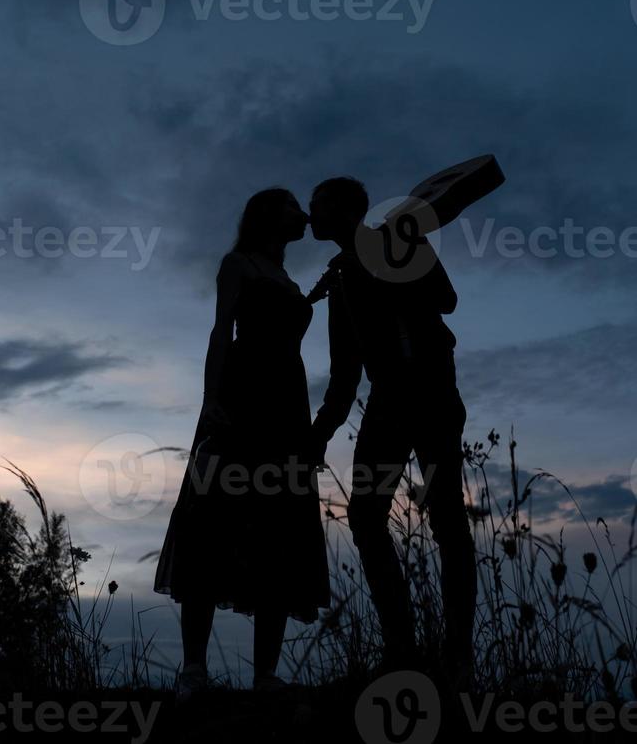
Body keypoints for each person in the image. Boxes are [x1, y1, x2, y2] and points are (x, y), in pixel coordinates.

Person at [154, 189, 330, 697]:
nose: (303, 215)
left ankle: (266, 675)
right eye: (293, 207)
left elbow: (283, 333)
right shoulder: (237, 264)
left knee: (279, 530)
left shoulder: (291, 280)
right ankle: (193, 669)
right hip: (242, 397)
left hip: (286, 408)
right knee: (212, 526)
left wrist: (313, 297)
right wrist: (210, 398)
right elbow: (220, 332)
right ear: (269, 216)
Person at [308, 176, 477, 687]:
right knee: (365, 518)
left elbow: (446, 299)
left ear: (340, 209)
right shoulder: (339, 279)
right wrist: (320, 433)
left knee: (446, 518)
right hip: (387, 403)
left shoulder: (398, 240)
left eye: (317, 207)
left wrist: (384, 264)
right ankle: (402, 652)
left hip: (429, 393)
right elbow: (344, 375)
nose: (311, 217)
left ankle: (457, 660)